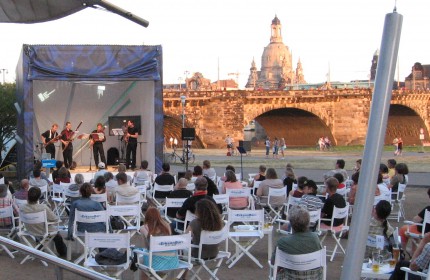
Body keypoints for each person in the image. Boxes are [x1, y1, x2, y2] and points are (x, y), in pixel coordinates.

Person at [271, 205, 323, 279]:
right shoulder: (315, 238)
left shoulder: (283, 242)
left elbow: (274, 263)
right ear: (308, 222)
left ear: (291, 223)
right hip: (313, 277)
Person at [21, 187, 66, 257]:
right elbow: (55, 219)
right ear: (39, 197)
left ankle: (40, 247)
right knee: (57, 235)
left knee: (38, 226)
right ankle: (63, 253)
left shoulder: (22, 207)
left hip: (29, 230)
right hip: (43, 230)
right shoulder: (43, 207)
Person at [399, 188, 430, 255]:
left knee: (404, 229)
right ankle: (413, 251)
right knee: (414, 231)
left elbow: (416, 219)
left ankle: (403, 251)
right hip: (425, 233)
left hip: (424, 232)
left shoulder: (428, 209)